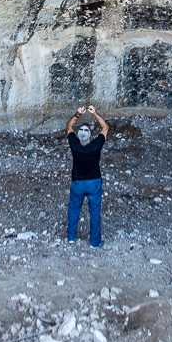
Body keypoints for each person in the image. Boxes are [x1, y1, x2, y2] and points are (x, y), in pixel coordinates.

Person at [65, 104, 109, 247]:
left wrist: (78, 114)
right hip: (93, 182)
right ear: (90, 136)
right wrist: (95, 114)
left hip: (78, 182)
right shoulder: (95, 146)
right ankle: (94, 242)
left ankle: (71, 237)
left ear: (77, 136)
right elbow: (105, 128)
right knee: (94, 212)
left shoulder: (75, 146)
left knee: (74, 209)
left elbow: (69, 127)